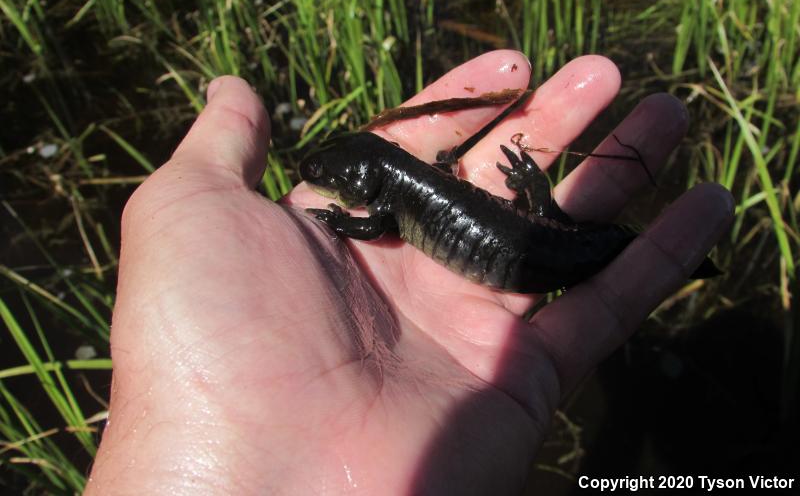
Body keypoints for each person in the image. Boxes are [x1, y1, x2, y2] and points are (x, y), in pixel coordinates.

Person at [84, 52, 733, 494]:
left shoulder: (390, 197)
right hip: (537, 245)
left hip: (535, 258)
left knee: (588, 242)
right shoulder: (401, 178)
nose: (324, 184)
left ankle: (674, 251)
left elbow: (378, 225)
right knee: (579, 237)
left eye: (335, 181)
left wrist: (342, 224)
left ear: (369, 173)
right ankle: (667, 250)